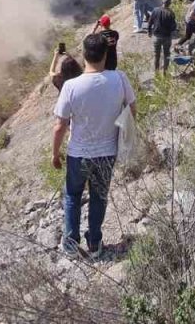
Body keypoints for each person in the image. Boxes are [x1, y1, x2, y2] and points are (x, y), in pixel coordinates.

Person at [52, 34, 136, 258]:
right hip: (107, 152)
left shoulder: (71, 86)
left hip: (77, 154)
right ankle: (95, 243)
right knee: (99, 196)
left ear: (84, 54)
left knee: (72, 196)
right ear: (106, 54)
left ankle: (70, 245)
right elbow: (132, 110)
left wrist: (55, 155)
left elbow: (60, 126)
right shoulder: (119, 78)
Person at [148, 0, 178, 73]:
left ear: (162, 2)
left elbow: (150, 22)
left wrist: (149, 32)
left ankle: (156, 73)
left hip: (156, 36)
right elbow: (173, 27)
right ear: (170, 3)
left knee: (156, 56)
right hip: (167, 37)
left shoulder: (155, 10)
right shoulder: (171, 13)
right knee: (166, 55)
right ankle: (165, 73)